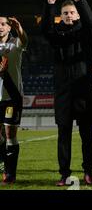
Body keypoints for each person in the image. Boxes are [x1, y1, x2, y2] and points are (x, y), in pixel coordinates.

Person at [42, 0, 92, 186]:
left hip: (84, 92)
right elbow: (45, 30)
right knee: (63, 135)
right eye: (64, 12)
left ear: (77, 15)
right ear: (61, 15)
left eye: (71, 12)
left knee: (87, 136)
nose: (68, 15)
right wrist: (50, 5)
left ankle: (88, 172)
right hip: (64, 92)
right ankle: (64, 174)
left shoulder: (86, 34)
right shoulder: (56, 35)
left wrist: (79, 0)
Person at [0, 16, 27, 184]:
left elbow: (24, 40)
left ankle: (10, 174)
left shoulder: (15, 44)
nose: (0, 27)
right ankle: (4, 163)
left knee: (10, 134)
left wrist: (20, 28)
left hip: (12, 97)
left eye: (3, 24)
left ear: (9, 28)